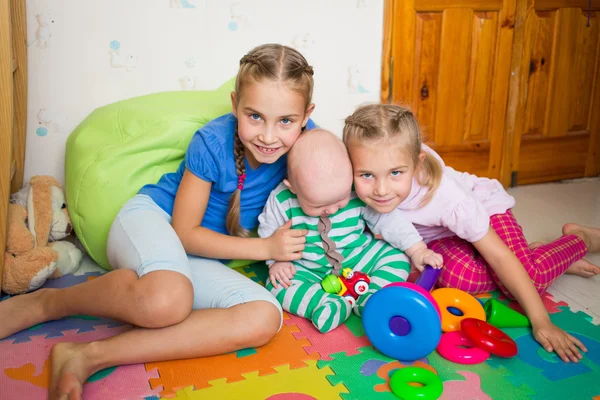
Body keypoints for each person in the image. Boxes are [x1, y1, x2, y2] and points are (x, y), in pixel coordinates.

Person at [0, 43, 317, 400]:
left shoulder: (311, 145)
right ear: (234, 106)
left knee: (264, 317)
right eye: (255, 116)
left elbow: (342, 189)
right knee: (167, 300)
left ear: (306, 116)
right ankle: (46, 303)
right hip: (156, 223)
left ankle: (86, 356)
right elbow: (184, 234)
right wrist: (266, 248)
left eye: (286, 121)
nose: (269, 136)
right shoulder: (212, 142)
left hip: (203, 257)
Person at [342, 103, 600, 363]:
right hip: (438, 236)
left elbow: (498, 255)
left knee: (529, 279)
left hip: (486, 212)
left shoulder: (450, 199)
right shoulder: (352, 184)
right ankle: (536, 255)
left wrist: (541, 321)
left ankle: (579, 239)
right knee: (457, 278)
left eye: (395, 173)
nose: (381, 190)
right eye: (366, 175)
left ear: (417, 163)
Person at [257, 128, 442, 333]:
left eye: (340, 200)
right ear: (292, 187)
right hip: (308, 269)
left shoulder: (355, 189)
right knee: (276, 285)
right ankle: (326, 304)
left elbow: (388, 220)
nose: (332, 210)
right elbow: (269, 232)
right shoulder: (281, 200)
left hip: (357, 257)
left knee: (397, 258)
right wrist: (277, 261)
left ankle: (373, 299)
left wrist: (417, 250)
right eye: (317, 206)